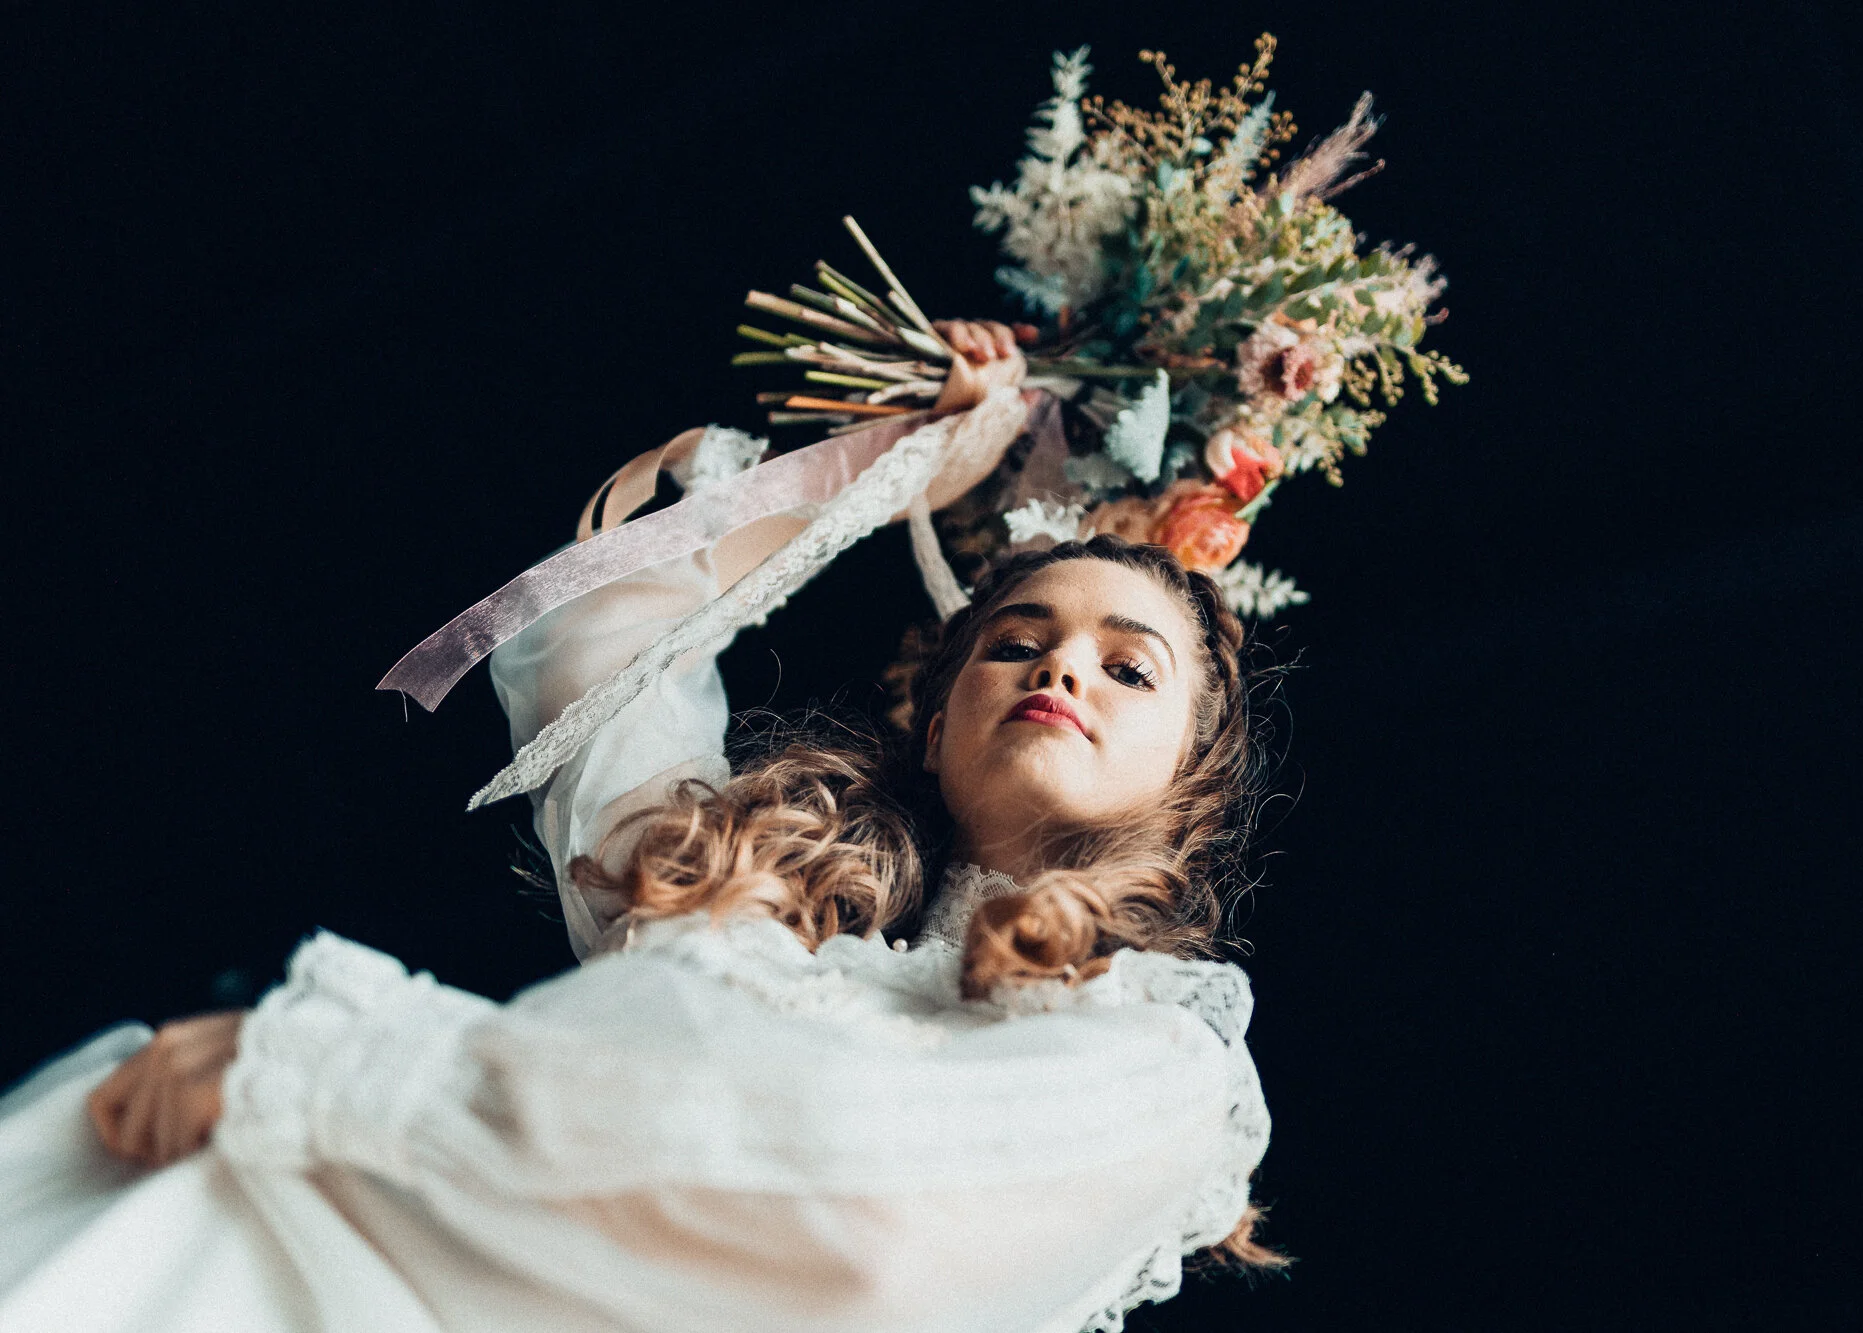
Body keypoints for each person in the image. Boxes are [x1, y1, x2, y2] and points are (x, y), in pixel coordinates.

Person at [0, 323, 1277, 1333]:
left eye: (1128, 668)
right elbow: (599, 638)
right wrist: (891, 467)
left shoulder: (1159, 1057)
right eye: (1013, 641)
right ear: (936, 725)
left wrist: (322, 1070)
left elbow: (856, 1223)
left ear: (1187, 774)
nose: (1061, 667)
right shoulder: (748, 906)